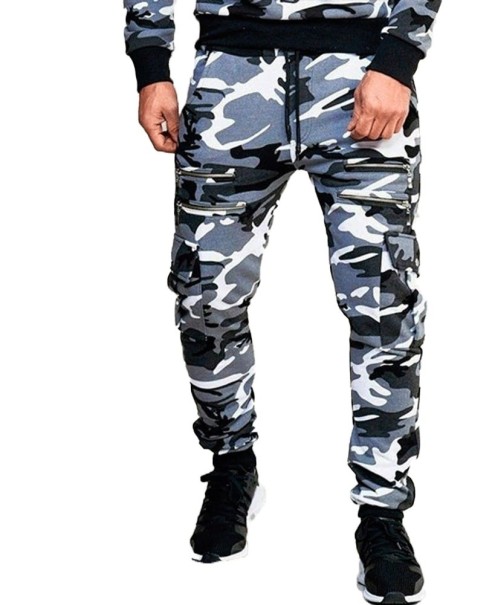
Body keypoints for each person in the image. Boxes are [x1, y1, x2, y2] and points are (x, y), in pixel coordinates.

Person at [123, 2, 441, 603]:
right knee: (206, 298)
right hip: (230, 77)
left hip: (360, 74)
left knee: (384, 306)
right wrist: (151, 64)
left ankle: (382, 511)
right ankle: (232, 464)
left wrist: (400, 56)